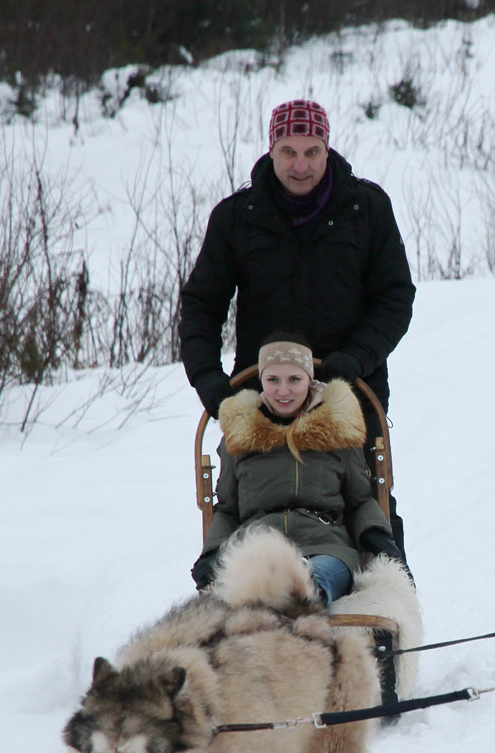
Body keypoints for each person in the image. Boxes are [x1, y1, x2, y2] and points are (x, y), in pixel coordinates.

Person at [178, 98, 415, 566]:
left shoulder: (366, 208)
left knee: (367, 510)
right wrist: (207, 378)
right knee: (250, 508)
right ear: (271, 150)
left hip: (349, 392)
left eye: (312, 152)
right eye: (288, 152)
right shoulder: (237, 217)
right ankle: (249, 597)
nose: (300, 165)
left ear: (328, 149)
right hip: (264, 396)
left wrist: (356, 357)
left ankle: (387, 603)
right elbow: (201, 305)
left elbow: (395, 297)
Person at [189, 334, 403, 602]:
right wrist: (212, 552)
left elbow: (360, 501)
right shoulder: (241, 437)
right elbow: (227, 510)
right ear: (262, 381)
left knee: (314, 582)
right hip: (257, 549)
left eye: (294, 379)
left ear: (309, 379)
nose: (283, 391)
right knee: (254, 585)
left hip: (325, 547)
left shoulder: (337, 432)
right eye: (273, 380)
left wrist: (377, 535)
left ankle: (306, 593)